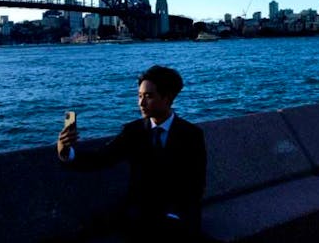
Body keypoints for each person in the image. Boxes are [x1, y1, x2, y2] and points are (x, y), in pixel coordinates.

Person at [57, 65, 207, 240]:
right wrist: (65, 151)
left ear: (167, 98)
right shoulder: (133, 132)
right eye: (139, 96)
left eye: (148, 96)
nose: (141, 103)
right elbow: (102, 158)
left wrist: (175, 214)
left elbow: (196, 185)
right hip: (141, 216)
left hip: (178, 217)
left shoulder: (191, 135)